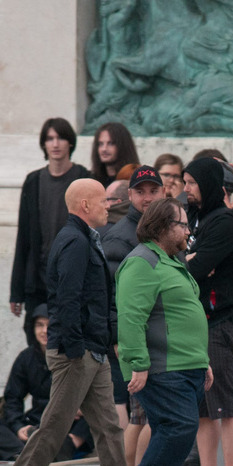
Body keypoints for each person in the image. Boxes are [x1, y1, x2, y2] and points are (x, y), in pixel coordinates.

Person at [0, 179, 130, 466]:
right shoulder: (74, 241)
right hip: (77, 351)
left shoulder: (83, 239)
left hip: (90, 349)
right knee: (54, 427)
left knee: (109, 429)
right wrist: (74, 349)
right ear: (84, 204)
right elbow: (67, 300)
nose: (108, 206)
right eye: (102, 201)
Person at [115, 197, 212, 466]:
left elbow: (185, 316)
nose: (188, 230)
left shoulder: (171, 261)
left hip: (187, 365)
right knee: (180, 428)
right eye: (182, 224)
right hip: (161, 367)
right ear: (162, 227)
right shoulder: (142, 262)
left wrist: (204, 361)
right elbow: (130, 317)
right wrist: (138, 364)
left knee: (174, 436)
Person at [179, 157, 233, 466]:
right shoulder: (199, 217)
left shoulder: (224, 222)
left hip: (218, 322)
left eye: (191, 182)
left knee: (226, 403)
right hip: (197, 322)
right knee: (204, 407)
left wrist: (186, 258)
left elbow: (196, 267)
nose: (185, 189)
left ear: (207, 183)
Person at [12, 118, 93, 347]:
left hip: (75, 278)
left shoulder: (84, 177)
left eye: (60, 138)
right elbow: (24, 238)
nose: (55, 144)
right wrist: (16, 291)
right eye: (49, 138)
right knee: (38, 345)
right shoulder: (33, 181)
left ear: (70, 143)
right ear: (44, 144)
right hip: (38, 280)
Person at [0, 304, 93, 461]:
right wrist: (18, 427)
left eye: (50, 326)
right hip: (35, 423)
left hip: (65, 424)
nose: (44, 331)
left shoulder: (74, 355)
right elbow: (13, 398)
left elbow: (93, 392)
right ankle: (23, 452)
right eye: (39, 325)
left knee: (93, 417)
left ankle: (35, 450)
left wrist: (77, 407)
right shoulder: (26, 358)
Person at [103, 165, 165, 430]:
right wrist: (119, 338)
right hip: (137, 340)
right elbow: (113, 294)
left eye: (153, 191)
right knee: (145, 421)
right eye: (140, 192)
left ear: (164, 192)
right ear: (129, 194)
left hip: (160, 336)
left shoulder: (163, 229)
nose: (147, 197)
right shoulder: (120, 237)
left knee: (147, 420)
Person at [89, 122, 140, 187]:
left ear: (122, 146)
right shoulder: (93, 181)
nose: (104, 149)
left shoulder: (136, 179)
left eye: (110, 143)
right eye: (101, 144)